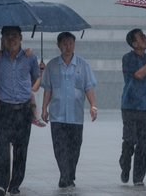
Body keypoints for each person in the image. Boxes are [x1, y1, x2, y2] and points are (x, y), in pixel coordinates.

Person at [0, 26, 40, 196]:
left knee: (21, 150)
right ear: (2, 39)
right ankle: (1, 184)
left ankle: (15, 185)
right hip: (3, 109)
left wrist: (28, 91)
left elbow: (36, 76)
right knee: (2, 148)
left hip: (23, 110)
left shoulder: (30, 57)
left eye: (15, 36)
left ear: (21, 38)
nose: (11, 39)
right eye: (7, 36)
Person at [41, 32, 98, 188]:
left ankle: (69, 174)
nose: (68, 47)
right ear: (58, 45)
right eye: (65, 43)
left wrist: (93, 105)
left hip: (76, 116)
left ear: (74, 44)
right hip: (57, 115)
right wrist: (44, 108)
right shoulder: (52, 65)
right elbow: (47, 89)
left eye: (71, 43)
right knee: (59, 148)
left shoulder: (83, 65)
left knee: (74, 149)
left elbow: (89, 87)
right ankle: (65, 176)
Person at [119, 28, 146, 186]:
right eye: (141, 37)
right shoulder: (127, 58)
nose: (145, 38)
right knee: (130, 140)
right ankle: (125, 163)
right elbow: (139, 75)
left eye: (145, 36)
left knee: (143, 144)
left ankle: (138, 178)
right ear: (134, 43)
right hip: (130, 105)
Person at [0, 51, 46, 129]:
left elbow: (34, 87)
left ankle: (36, 117)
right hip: (2, 90)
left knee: (31, 95)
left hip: (19, 92)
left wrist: (41, 71)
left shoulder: (22, 65)